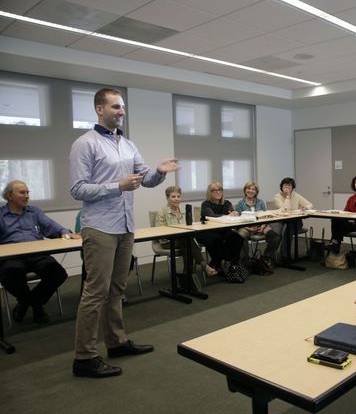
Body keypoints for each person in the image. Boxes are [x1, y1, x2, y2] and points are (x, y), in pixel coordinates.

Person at [69, 87, 179, 378]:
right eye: (116, 107)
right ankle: (84, 357)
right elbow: (77, 189)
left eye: (123, 107)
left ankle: (116, 342)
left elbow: (145, 180)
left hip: (126, 226)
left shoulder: (128, 144)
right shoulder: (85, 144)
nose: (121, 112)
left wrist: (160, 171)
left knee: (117, 289)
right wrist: (116, 185)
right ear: (99, 109)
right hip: (100, 227)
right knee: (95, 292)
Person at [0, 180, 79, 324]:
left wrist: (64, 232)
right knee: (10, 277)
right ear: (9, 195)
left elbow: (52, 227)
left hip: (37, 255)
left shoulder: (34, 212)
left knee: (58, 274)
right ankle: (36, 306)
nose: (26, 196)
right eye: (22, 193)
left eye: (27, 192)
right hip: (12, 258)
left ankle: (27, 303)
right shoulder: (1, 215)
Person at [155, 186, 216, 279]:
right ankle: (204, 266)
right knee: (187, 240)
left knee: (186, 241)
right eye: (173, 197)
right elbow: (159, 231)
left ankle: (188, 274)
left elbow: (189, 227)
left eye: (178, 196)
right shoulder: (162, 213)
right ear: (167, 198)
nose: (176, 199)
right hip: (168, 241)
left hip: (184, 239)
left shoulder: (184, 211)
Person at [196, 181, 244, 272]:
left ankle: (233, 263)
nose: (218, 192)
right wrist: (228, 216)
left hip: (223, 230)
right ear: (209, 192)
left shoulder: (226, 203)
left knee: (237, 238)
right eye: (214, 190)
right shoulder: (206, 204)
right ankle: (218, 262)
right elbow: (212, 216)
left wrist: (236, 213)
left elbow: (233, 214)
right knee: (216, 240)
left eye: (220, 190)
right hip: (208, 231)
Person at [327, 174, 356, 254]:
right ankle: (335, 243)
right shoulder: (351, 198)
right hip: (351, 223)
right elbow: (345, 212)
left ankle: (335, 244)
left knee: (341, 226)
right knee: (335, 219)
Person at [234, 181, 281, 259]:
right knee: (240, 236)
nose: (250, 191)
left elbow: (265, 217)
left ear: (256, 192)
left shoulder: (260, 202)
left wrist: (263, 226)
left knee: (275, 237)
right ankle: (246, 259)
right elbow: (238, 221)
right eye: (248, 188)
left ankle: (266, 256)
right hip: (246, 228)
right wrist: (248, 228)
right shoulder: (240, 204)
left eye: (253, 189)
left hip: (261, 226)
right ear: (245, 190)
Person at [270, 177, 313, 260]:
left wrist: (305, 208)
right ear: (281, 187)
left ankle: (284, 255)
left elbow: (310, 204)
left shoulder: (296, 195)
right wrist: (287, 197)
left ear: (293, 188)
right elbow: (285, 210)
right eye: (285, 186)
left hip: (296, 222)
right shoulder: (277, 197)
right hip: (282, 221)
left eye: (289, 186)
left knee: (289, 227)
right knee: (287, 228)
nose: (287, 188)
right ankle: (284, 254)